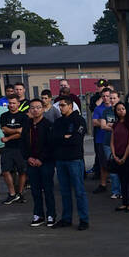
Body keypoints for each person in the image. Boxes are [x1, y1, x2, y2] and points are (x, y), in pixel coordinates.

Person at [51, 96, 89, 229]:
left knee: (79, 191)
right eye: (59, 106)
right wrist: (64, 137)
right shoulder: (58, 122)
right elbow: (53, 139)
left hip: (74, 160)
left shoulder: (79, 120)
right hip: (60, 161)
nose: (60, 108)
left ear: (70, 106)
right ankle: (66, 218)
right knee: (64, 192)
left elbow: (76, 140)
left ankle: (83, 220)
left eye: (63, 105)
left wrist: (63, 138)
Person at [22, 98, 56, 227]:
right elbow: (23, 144)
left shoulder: (48, 125)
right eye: (32, 108)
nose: (35, 110)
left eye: (38, 107)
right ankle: (38, 214)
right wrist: (28, 157)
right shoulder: (27, 125)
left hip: (45, 163)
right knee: (35, 191)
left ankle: (51, 214)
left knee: (48, 190)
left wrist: (41, 159)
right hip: (31, 162)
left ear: (43, 109)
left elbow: (51, 145)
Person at [0, 91, 29, 204]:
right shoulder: (4, 116)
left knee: (22, 171)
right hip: (8, 148)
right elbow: (4, 129)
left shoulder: (24, 117)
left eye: (14, 103)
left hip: (21, 147)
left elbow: (23, 133)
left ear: (18, 104)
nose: (11, 105)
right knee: (6, 171)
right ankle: (12, 193)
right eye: (10, 103)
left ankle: (20, 193)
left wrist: (8, 137)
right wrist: (16, 130)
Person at [110, 101, 129, 212]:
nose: (121, 111)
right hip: (118, 154)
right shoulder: (115, 124)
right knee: (122, 179)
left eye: (123, 109)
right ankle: (124, 202)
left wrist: (124, 158)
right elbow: (112, 141)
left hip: (128, 154)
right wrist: (114, 155)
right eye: (118, 109)